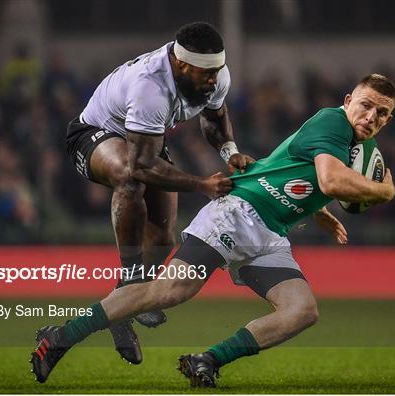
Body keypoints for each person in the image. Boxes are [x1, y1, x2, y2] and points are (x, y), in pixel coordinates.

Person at [31, 74, 395, 386]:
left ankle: (206, 360)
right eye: (366, 105)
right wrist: (385, 191)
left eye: (382, 113)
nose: (371, 116)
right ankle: (61, 336)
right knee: (170, 290)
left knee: (302, 310)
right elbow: (330, 180)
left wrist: (320, 213)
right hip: (237, 214)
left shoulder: (360, 146)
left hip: (268, 235)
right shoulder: (334, 122)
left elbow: (298, 171)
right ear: (348, 100)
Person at [64, 22, 254, 364]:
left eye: (217, 72)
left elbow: (215, 117)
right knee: (130, 177)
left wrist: (229, 152)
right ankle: (133, 277)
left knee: (165, 236)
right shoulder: (149, 86)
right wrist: (202, 184)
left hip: (143, 142)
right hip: (95, 134)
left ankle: (122, 307)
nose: (213, 81)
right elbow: (140, 167)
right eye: (205, 73)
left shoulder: (215, 74)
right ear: (181, 64)